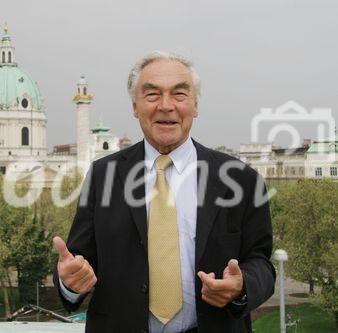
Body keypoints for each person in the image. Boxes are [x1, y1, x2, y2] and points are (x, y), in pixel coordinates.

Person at [53, 51, 275, 333]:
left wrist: (241, 286)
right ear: (135, 106)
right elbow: (77, 260)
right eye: (152, 95)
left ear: (195, 104)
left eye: (179, 94)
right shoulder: (103, 175)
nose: (166, 106)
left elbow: (261, 263)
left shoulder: (241, 179)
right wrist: (69, 283)